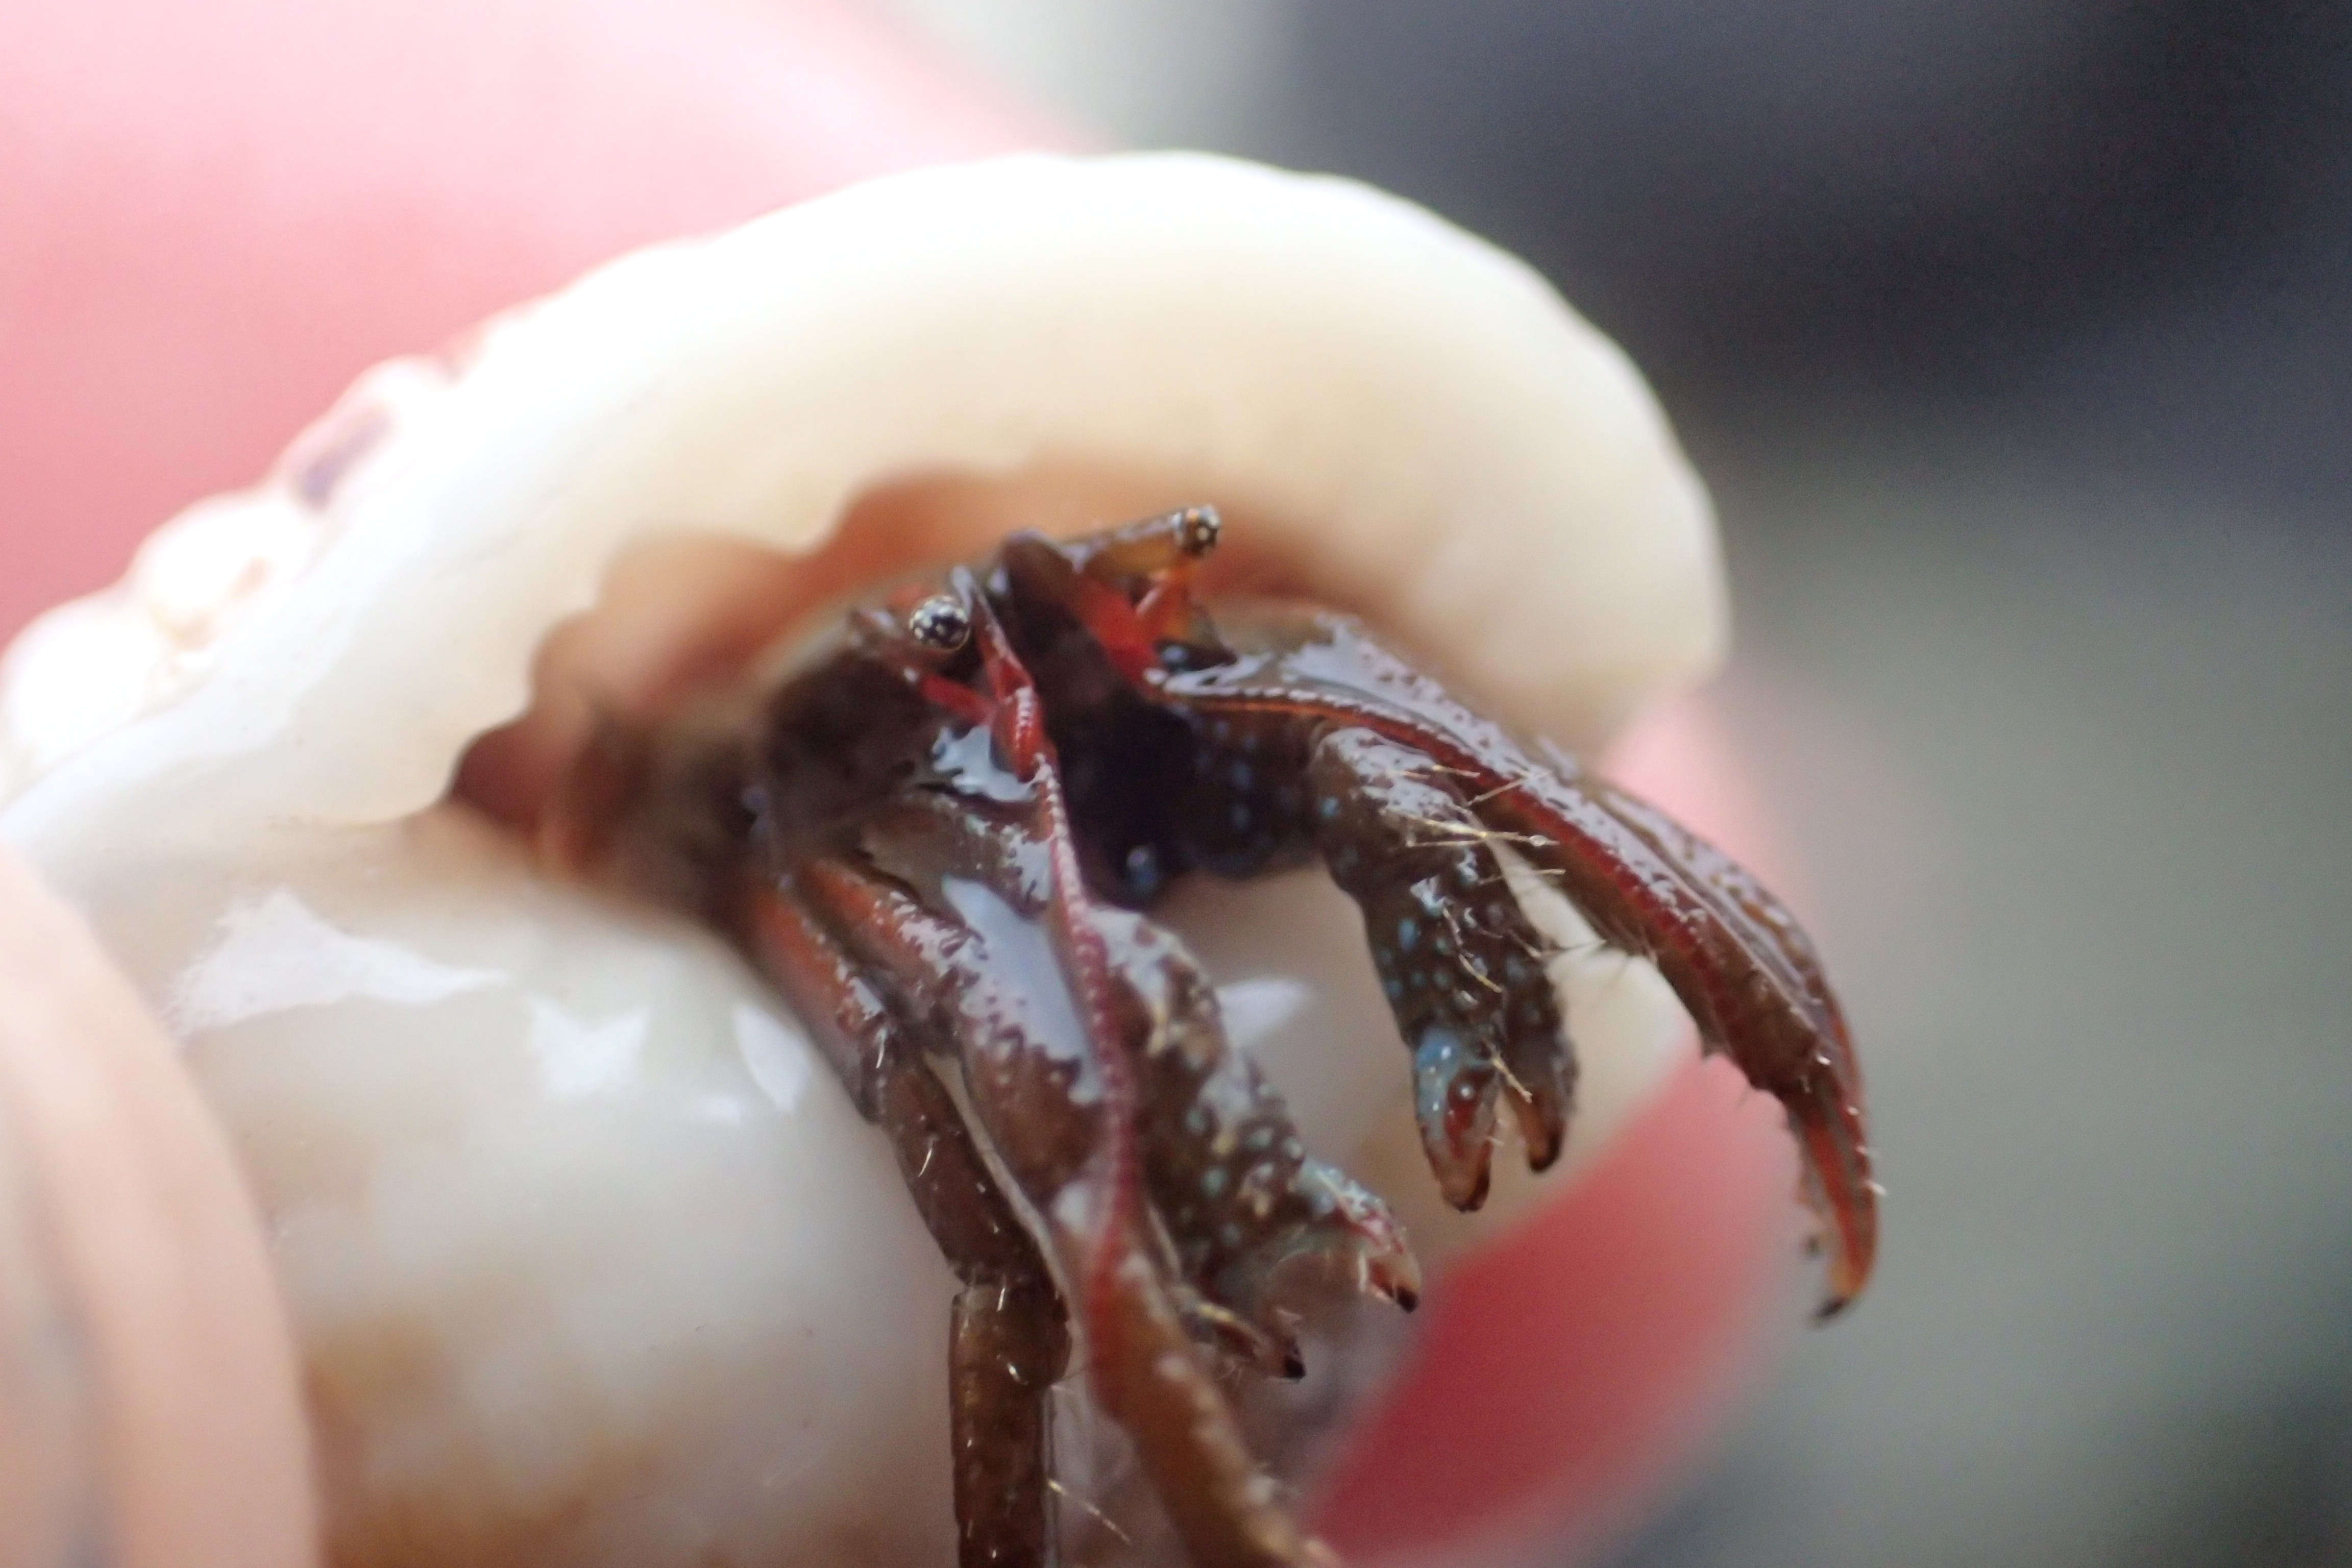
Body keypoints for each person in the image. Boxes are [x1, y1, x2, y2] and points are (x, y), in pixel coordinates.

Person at [0, 2, 1808, 1562]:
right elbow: (1002, 1064)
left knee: (1363, 730)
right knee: (1018, 1168)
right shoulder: (852, 823)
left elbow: (1450, 734)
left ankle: (1786, 1088)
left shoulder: (1112, 689)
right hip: (825, 869)